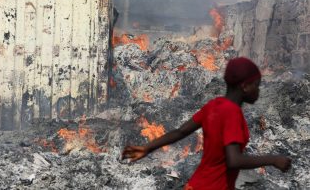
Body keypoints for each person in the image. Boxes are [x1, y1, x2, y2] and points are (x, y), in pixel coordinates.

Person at [121, 57, 291, 190]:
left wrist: (148, 147)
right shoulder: (232, 112)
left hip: (195, 184)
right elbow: (234, 160)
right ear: (245, 86)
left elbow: (180, 132)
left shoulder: (214, 105)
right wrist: (273, 159)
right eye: (257, 85)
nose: (259, 90)